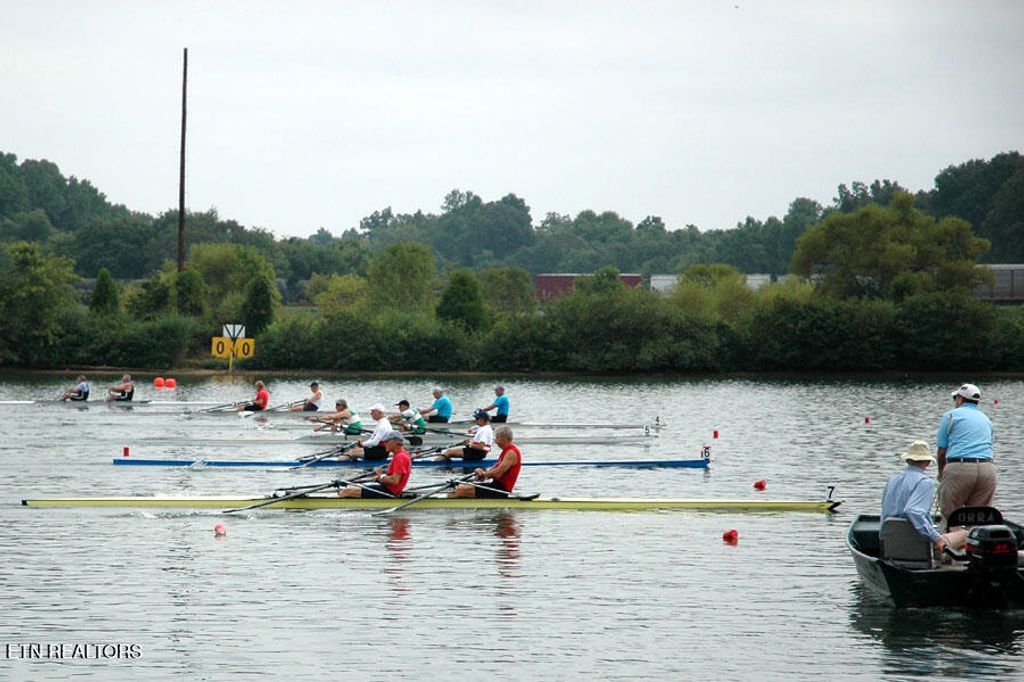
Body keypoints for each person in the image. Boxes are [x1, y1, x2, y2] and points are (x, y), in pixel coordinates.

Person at [882, 440, 967, 553]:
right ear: (927, 462)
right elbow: (913, 511)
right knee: (967, 535)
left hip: (890, 543)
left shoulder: (892, 480)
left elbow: (885, 514)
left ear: (907, 460)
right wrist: (937, 539)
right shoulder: (924, 482)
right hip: (913, 544)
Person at [936, 383, 996, 520]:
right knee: (978, 520)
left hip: (959, 468)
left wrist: (941, 472)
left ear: (960, 398)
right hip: (987, 470)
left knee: (951, 518)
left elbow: (942, 451)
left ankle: (951, 534)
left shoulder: (950, 416)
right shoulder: (986, 419)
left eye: (955, 398)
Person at [450, 425, 521, 498]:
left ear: (503, 438)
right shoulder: (506, 451)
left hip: (500, 491)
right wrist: (483, 475)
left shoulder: (511, 453)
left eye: (497, 438)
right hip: (495, 486)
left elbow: (498, 473)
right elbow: (494, 470)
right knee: (461, 487)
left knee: (461, 490)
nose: (495, 441)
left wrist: (483, 474)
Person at [338, 432, 412, 498]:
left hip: (389, 492)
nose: (384, 444)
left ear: (394, 442)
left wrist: (380, 477)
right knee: (351, 488)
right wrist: (380, 476)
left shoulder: (400, 457)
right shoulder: (404, 454)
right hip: (387, 489)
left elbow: (394, 481)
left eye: (386, 441)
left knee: (345, 492)